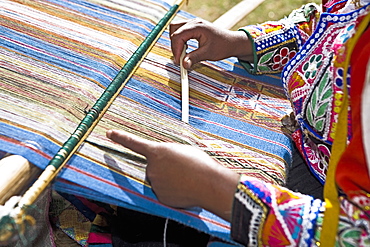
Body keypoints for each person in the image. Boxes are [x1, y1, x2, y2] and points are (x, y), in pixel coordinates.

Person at [107, 0, 370, 245]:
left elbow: (358, 236)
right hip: (315, 158)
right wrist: (241, 42)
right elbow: (326, 26)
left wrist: (218, 191)